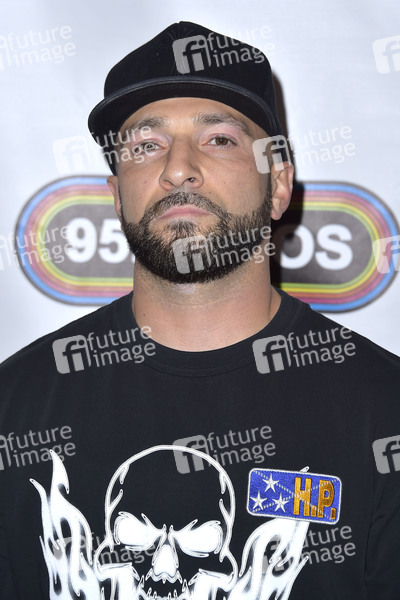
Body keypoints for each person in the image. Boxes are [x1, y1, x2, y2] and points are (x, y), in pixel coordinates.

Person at [0, 21, 399, 600]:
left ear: (278, 185)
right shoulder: (15, 409)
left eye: (219, 139)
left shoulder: (383, 411)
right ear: (116, 194)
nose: (177, 167)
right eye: (146, 145)